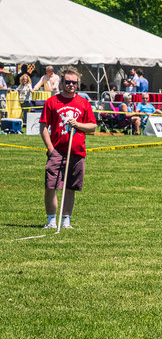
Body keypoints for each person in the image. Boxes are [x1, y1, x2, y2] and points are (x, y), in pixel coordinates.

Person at [40, 67, 96, 229]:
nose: (71, 85)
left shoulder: (83, 103)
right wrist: (50, 149)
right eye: (68, 82)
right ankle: (51, 221)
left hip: (77, 151)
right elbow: (43, 127)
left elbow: (92, 127)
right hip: (57, 150)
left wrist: (77, 124)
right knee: (51, 186)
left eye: (74, 82)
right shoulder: (52, 102)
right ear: (62, 82)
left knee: (71, 187)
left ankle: (66, 221)